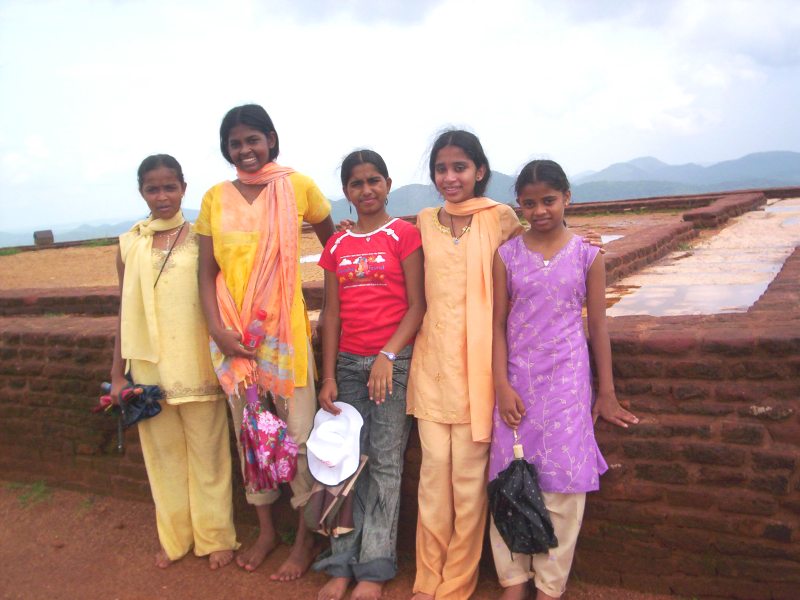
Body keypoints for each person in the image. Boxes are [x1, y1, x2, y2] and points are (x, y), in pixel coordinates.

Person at [196, 104, 336, 580]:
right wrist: (217, 330)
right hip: (233, 338)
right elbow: (205, 272)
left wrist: (330, 306)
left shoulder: (298, 187)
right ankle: (267, 531)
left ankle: (305, 538)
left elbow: (334, 248)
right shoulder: (214, 198)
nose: (245, 150)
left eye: (252, 139)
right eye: (235, 143)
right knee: (251, 436)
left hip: (284, 338)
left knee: (298, 439)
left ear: (271, 139)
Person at [488, 159, 638, 600]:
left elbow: (599, 327)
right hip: (517, 381)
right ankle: (514, 580)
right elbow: (497, 324)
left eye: (548, 200)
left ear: (567, 198)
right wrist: (501, 385)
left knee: (563, 483)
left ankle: (549, 586)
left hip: (568, 382)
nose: (539, 211)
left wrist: (606, 392)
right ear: (519, 205)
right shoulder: (506, 256)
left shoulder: (588, 256)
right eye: (529, 203)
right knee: (508, 475)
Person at [406, 130, 526, 600]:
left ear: (480, 170)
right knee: (433, 480)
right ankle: (427, 577)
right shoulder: (423, 221)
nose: (449, 177)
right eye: (441, 169)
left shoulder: (501, 218)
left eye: (459, 167)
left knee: (470, 483)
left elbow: (525, 273)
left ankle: (456, 583)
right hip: (432, 368)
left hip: (480, 372)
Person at [109, 154, 237, 570]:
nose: (162, 196)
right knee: (163, 460)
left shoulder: (203, 237)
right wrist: (117, 374)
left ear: (183, 188)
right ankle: (175, 539)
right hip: (149, 370)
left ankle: (216, 538)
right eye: (153, 189)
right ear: (141, 192)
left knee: (209, 456)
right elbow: (124, 313)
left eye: (169, 187)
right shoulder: (129, 245)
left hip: (198, 364)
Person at [313, 150, 425, 600]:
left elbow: (417, 306)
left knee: (384, 462)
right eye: (357, 183)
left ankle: (374, 569)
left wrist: (387, 354)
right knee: (343, 462)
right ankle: (341, 563)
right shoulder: (337, 245)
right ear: (346, 191)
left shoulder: (404, 235)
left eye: (374, 180)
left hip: (391, 366)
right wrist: (327, 376)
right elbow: (331, 316)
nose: (367, 190)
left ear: (388, 184)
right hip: (347, 366)